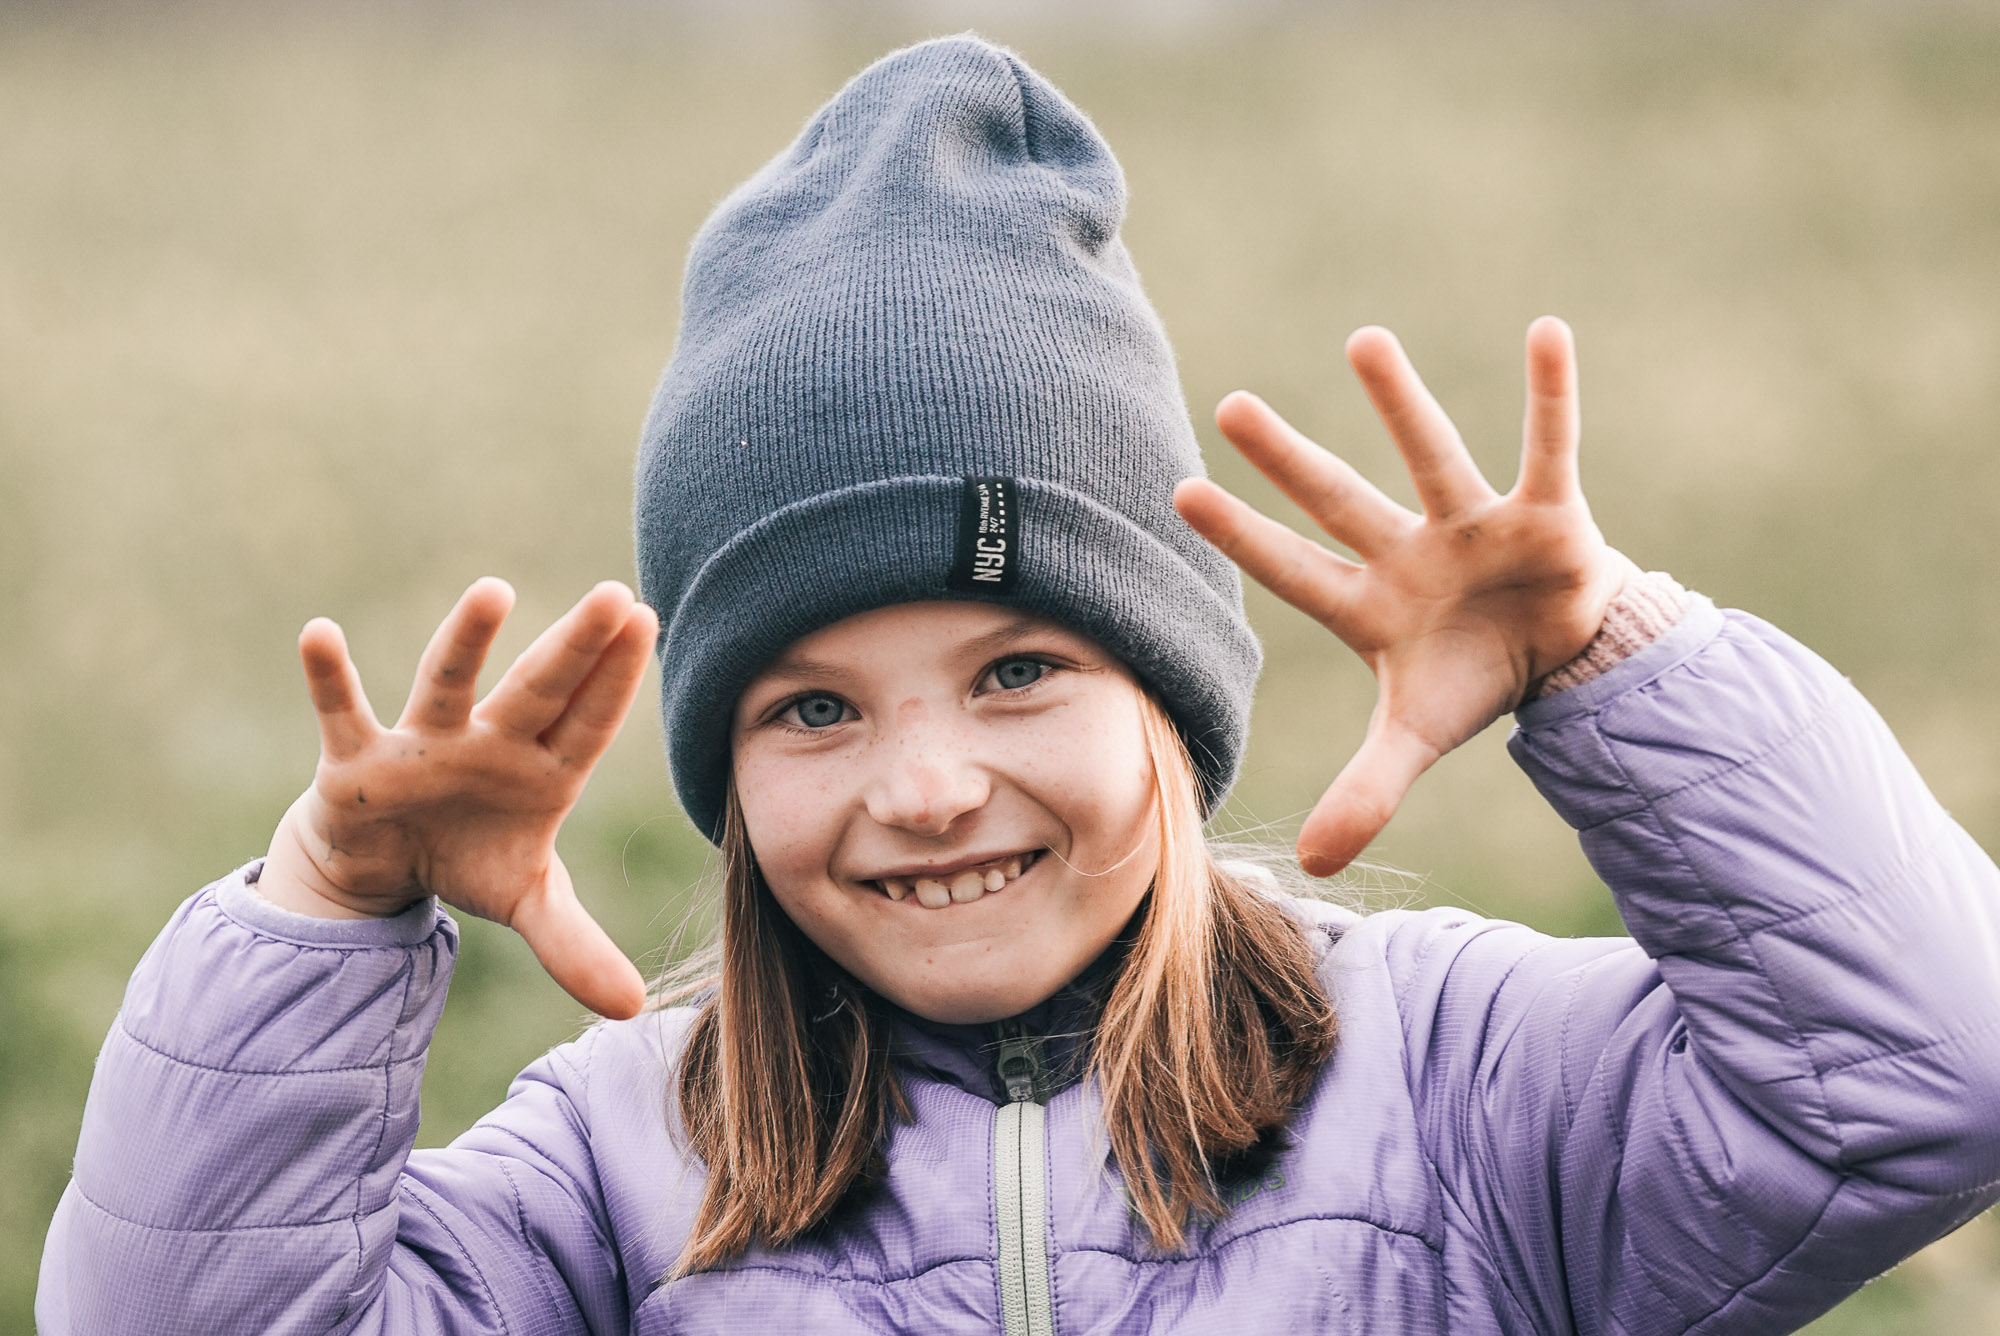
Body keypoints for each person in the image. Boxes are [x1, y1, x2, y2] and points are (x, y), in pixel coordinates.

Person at [37, 34, 2000, 1336]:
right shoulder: (625, 1167)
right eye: (811, 705)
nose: (923, 782)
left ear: (1171, 684)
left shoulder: (1461, 1082)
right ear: (715, 759)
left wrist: (1603, 656)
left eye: (1017, 666)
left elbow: (1928, 1071)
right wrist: (325, 898)